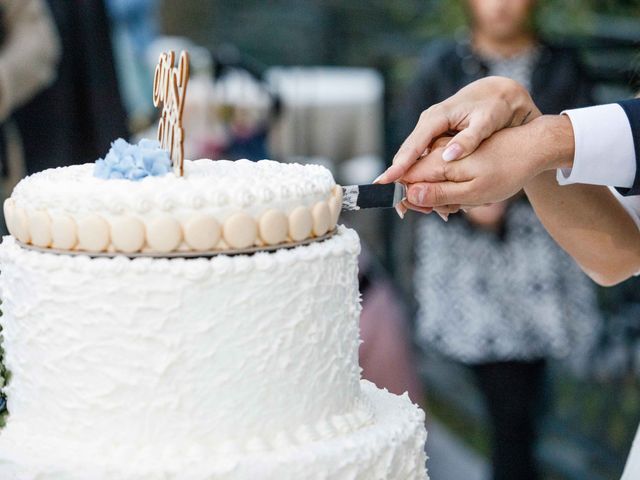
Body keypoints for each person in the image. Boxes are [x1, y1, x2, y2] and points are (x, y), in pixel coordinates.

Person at [380, 76, 640, 479]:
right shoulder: (443, 65)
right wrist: (527, 131)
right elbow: (621, 252)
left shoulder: (562, 66)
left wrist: (544, 140)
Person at [398, 2, 600, 479]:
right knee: (509, 407)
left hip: (544, 255)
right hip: (471, 267)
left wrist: (511, 192)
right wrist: (469, 201)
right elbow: (409, 148)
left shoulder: (563, 66)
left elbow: (588, 162)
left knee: (523, 402)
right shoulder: (440, 66)